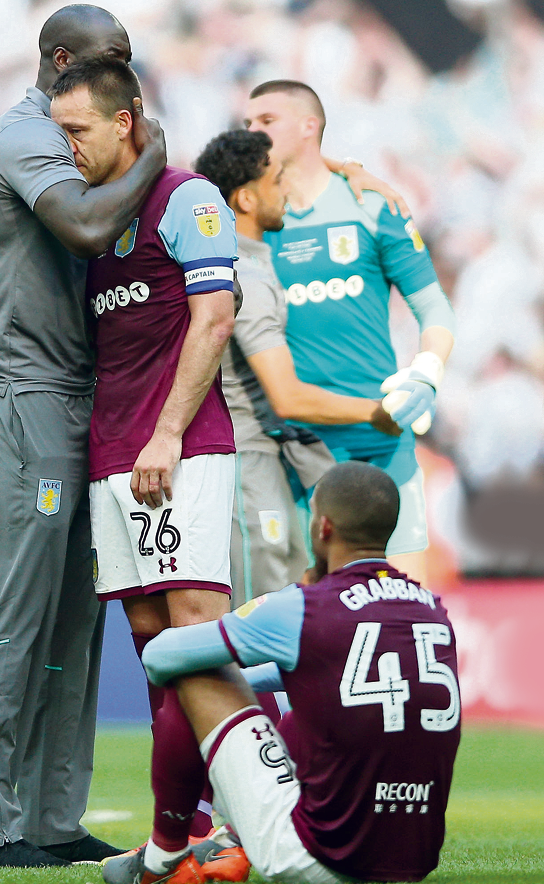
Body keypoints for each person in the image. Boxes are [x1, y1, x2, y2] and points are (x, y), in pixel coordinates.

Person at [0, 5, 166, 870]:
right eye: (113, 57)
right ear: (63, 59)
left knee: (77, 615)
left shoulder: (86, 138)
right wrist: (151, 153)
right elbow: (85, 226)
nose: (128, 72)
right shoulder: (27, 137)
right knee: (18, 607)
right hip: (14, 390)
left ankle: (48, 818)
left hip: (75, 391)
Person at [48, 56, 237, 871]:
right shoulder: (92, 220)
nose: (66, 147)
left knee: (196, 636)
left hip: (178, 446)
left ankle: (243, 817)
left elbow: (214, 318)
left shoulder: (186, 198)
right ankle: (183, 833)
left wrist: (166, 434)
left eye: (76, 131)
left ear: (123, 122)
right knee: (152, 640)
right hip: (110, 455)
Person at [104, 461, 461, 884]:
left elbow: (160, 657)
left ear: (323, 527)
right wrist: (274, 677)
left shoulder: (305, 605)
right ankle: (230, 840)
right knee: (309, 706)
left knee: (193, 670)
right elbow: (336, 680)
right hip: (411, 861)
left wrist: (231, 682)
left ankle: (163, 860)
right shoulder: (432, 610)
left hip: (322, 856)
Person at [244, 80, 456, 585]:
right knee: (309, 622)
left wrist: (425, 375)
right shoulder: (251, 218)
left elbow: (435, 311)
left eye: (266, 121)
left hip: (382, 439)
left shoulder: (373, 206)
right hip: (297, 445)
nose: (252, 132)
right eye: (248, 123)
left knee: (402, 602)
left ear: (308, 126)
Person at [194, 129, 400, 606]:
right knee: (257, 608)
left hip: (265, 455)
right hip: (242, 456)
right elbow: (286, 395)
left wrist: (347, 166)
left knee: (285, 588)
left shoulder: (250, 266)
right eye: (276, 179)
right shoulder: (241, 275)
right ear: (245, 198)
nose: (286, 189)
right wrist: (376, 412)